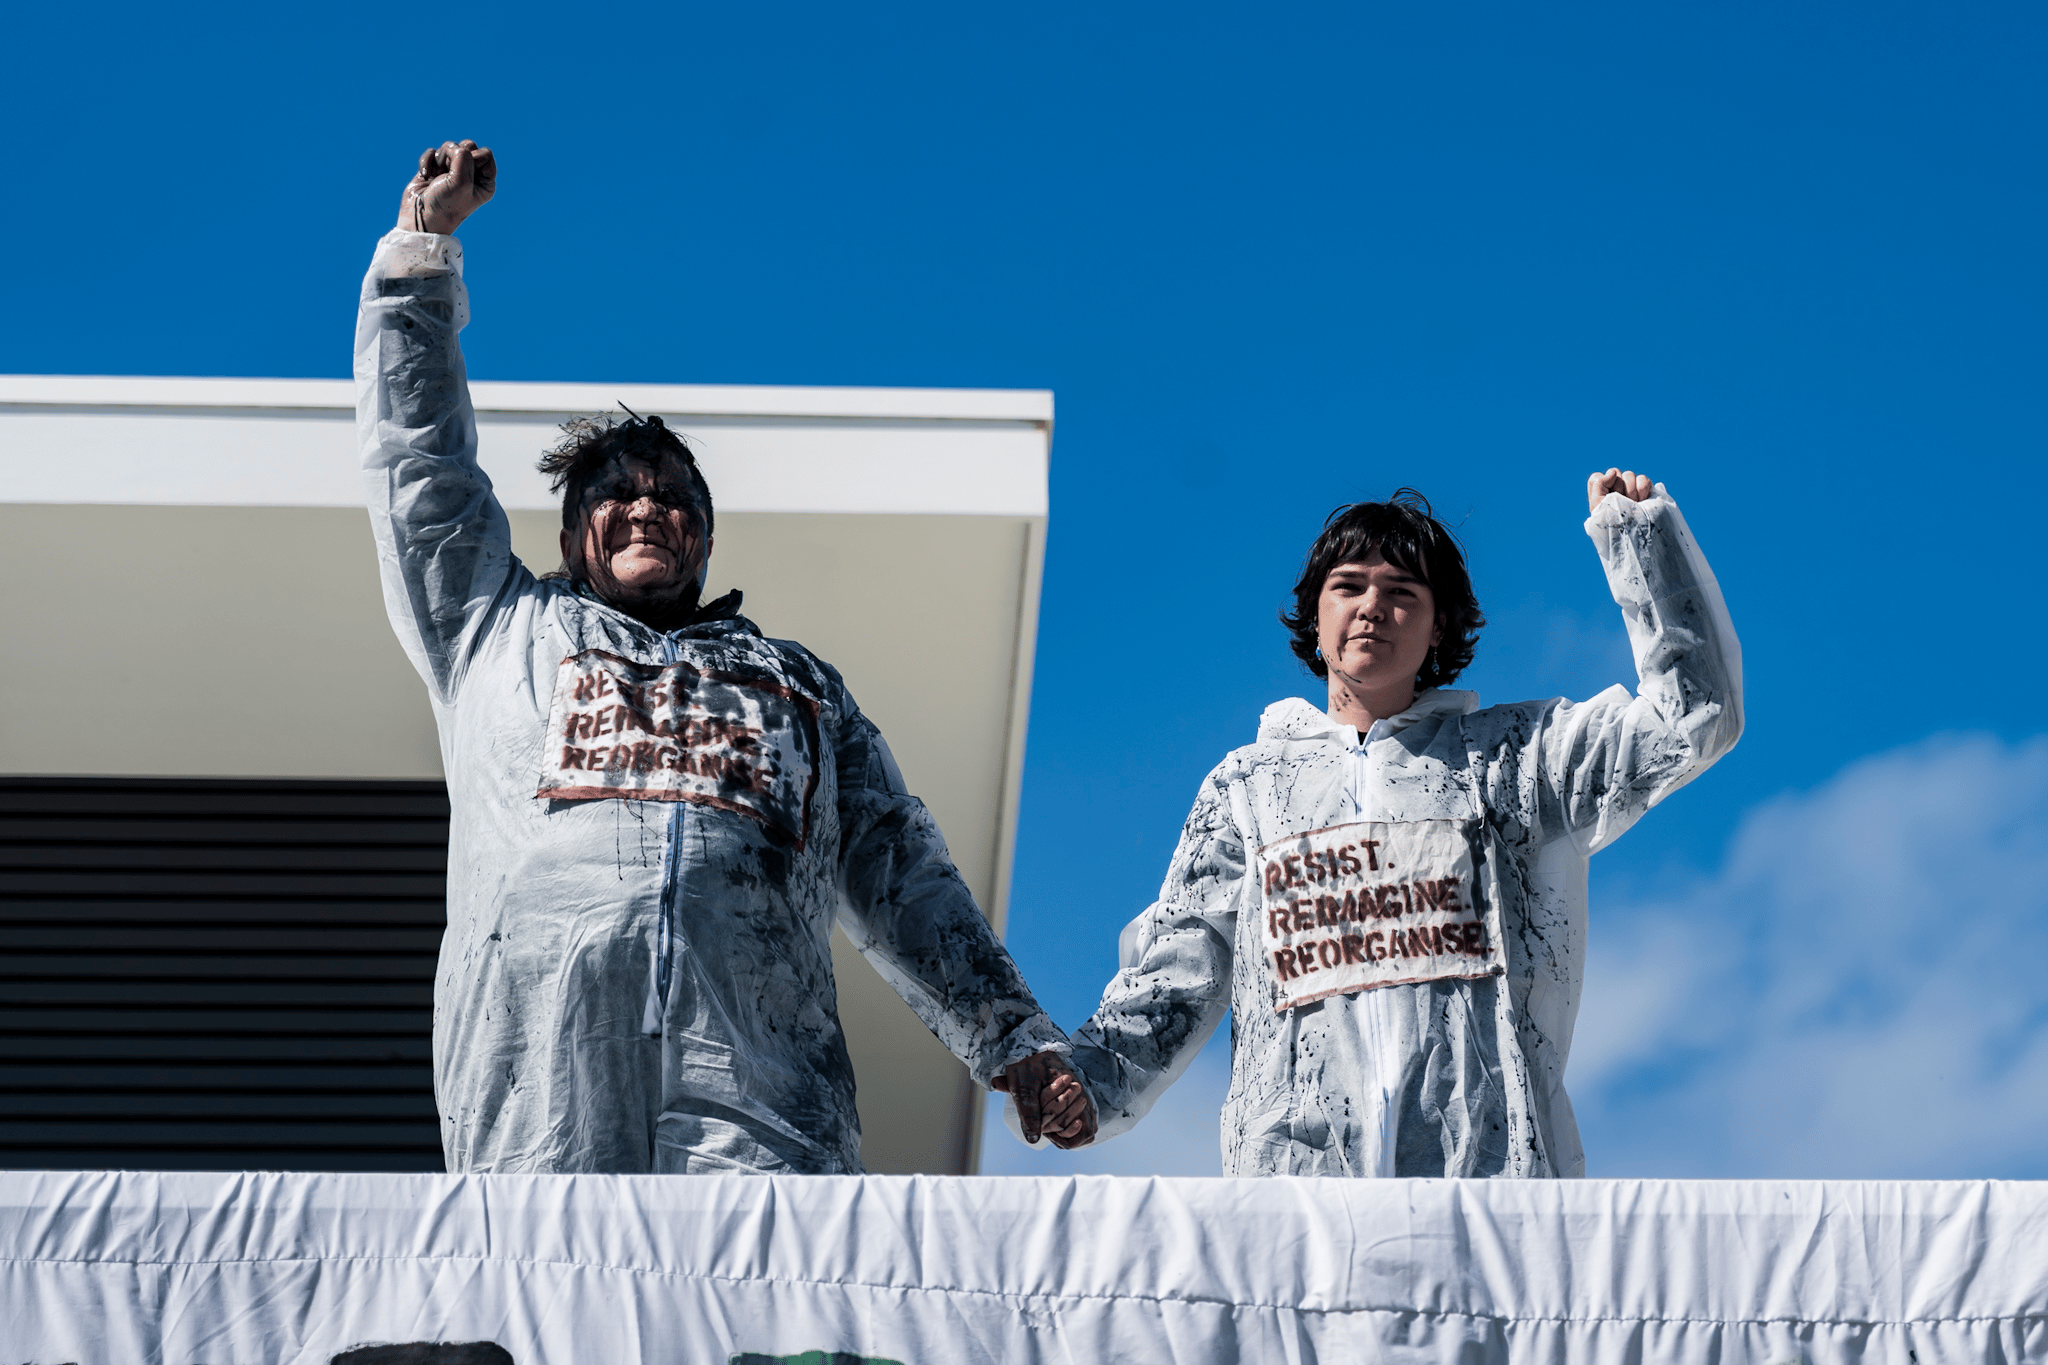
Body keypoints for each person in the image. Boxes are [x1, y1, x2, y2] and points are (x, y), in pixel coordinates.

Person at [355, 139, 1087, 1173]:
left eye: (673, 497)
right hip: (541, 1095)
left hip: (762, 1105)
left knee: (752, 1331)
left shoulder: (797, 690)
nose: (646, 505)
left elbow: (899, 872)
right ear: (571, 539)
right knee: (549, 1324)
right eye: (617, 493)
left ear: (703, 538)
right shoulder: (493, 629)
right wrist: (419, 252)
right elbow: (419, 463)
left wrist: (1013, 1039)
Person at [1031, 477, 1741, 1173]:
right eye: (1349, 586)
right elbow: (1179, 970)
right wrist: (1088, 1081)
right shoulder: (1248, 788)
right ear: (1315, 612)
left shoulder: (1514, 759)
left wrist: (1643, 545)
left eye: (1402, 593)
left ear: (1439, 627)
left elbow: (1693, 719)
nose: (1373, 607)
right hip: (1295, 1213)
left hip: (1487, 1199)